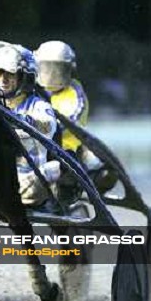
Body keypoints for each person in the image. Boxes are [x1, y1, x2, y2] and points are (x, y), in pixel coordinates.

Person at [34, 40, 116, 193]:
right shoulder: (30, 89)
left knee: (102, 170)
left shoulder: (74, 92)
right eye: (47, 69)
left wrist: (38, 126)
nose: (52, 75)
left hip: (66, 151)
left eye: (57, 70)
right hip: (31, 147)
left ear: (70, 70)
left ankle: (72, 189)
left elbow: (71, 120)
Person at [0, 41, 59, 206]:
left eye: (9, 73)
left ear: (24, 77)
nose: (2, 79)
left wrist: (17, 119)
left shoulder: (39, 106)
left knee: (54, 168)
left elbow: (47, 128)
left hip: (27, 178)